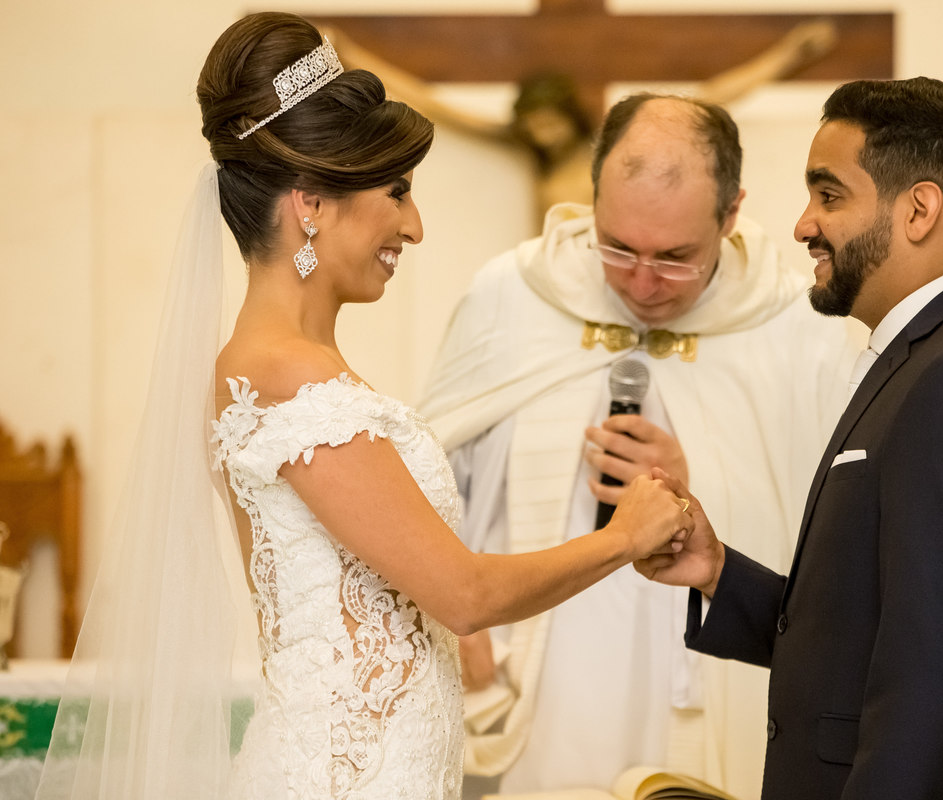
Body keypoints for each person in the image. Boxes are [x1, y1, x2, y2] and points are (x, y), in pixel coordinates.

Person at [33, 12, 692, 800]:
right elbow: (464, 595)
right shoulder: (289, 384)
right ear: (310, 204)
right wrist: (626, 535)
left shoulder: (274, 372)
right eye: (398, 192)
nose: (413, 227)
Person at [636, 77, 943, 799]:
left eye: (829, 196)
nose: (804, 224)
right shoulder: (921, 361)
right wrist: (720, 574)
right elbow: (867, 635)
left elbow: (937, 677)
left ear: (920, 210)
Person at [418, 93, 854, 798]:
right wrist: (459, 630)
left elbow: (844, 532)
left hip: (713, 677)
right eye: (618, 248)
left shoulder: (796, 327)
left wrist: (703, 478)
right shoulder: (512, 296)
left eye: (676, 257)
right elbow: (428, 476)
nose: (644, 283)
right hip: (530, 685)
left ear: (732, 213)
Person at [329, 20, 837, 220]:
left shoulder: (606, 145)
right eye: (534, 123)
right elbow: (433, 104)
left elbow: (708, 98)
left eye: (551, 122)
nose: (543, 133)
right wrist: (353, 54)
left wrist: (787, 54)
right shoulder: (520, 146)